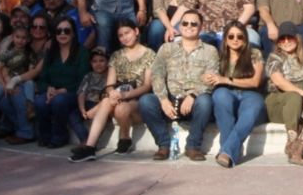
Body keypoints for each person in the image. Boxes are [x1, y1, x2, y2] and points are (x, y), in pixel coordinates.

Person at [70, 21, 155, 162]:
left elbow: (147, 86)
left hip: (139, 99)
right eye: (120, 35)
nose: (124, 37)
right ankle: (90, 147)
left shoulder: (149, 54)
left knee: (120, 108)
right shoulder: (116, 56)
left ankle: (125, 136)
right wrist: (113, 94)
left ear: (136, 31)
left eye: (127, 33)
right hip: (118, 96)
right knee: (109, 101)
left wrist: (124, 95)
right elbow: (110, 85)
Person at [140, 9, 218, 162]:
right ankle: (163, 145)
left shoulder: (210, 51)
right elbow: (157, 74)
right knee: (146, 101)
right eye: (185, 23)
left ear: (201, 27)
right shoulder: (166, 48)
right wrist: (163, 99)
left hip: (194, 101)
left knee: (205, 101)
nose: (189, 26)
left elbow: (211, 78)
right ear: (180, 26)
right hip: (169, 100)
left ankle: (193, 147)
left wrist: (193, 95)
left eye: (194, 24)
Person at [264, 22, 303, 166]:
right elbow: (279, 81)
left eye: (289, 38)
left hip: (302, 105)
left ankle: (299, 148)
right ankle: (291, 140)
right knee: (294, 96)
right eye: (282, 39)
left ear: (297, 39)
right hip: (280, 104)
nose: (286, 42)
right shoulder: (275, 58)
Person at [206, 21, 266, 167]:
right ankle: (230, 151)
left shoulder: (254, 54)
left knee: (252, 108)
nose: (235, 40)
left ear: (245, 39)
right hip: (226, 92)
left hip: (250, 93)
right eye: (231, 36)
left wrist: (226, 79)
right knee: (220, 96)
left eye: (240, 36)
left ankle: (226, 151)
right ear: (225, 39)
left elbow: (255, 82)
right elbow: (209, 76)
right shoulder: (218, 55)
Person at [34, 17, 90, 149]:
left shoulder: (82, 52)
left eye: (66, 31)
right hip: (52, 91)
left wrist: (64, 90)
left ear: (73, 33)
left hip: (73, 92)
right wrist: (48, 88)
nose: (62, 34)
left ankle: (60, 136)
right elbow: (43, 78)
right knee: (40, 102)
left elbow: (84, 79)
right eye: (59, 31)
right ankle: (45, 137)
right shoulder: (50, 53)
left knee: (59, 101)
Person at [0, 24, 42, 145]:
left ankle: (26, 133)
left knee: (19, 99)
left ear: (28, 39)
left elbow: (31, 71)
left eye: (23, 38)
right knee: (1, 102)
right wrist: (4, 84)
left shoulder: (29, 54)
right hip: (6, 82)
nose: (20, 40)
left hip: (23, 82)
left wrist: (16, 81)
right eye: (18, 37)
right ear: (13, 38)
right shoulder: (7, 53)